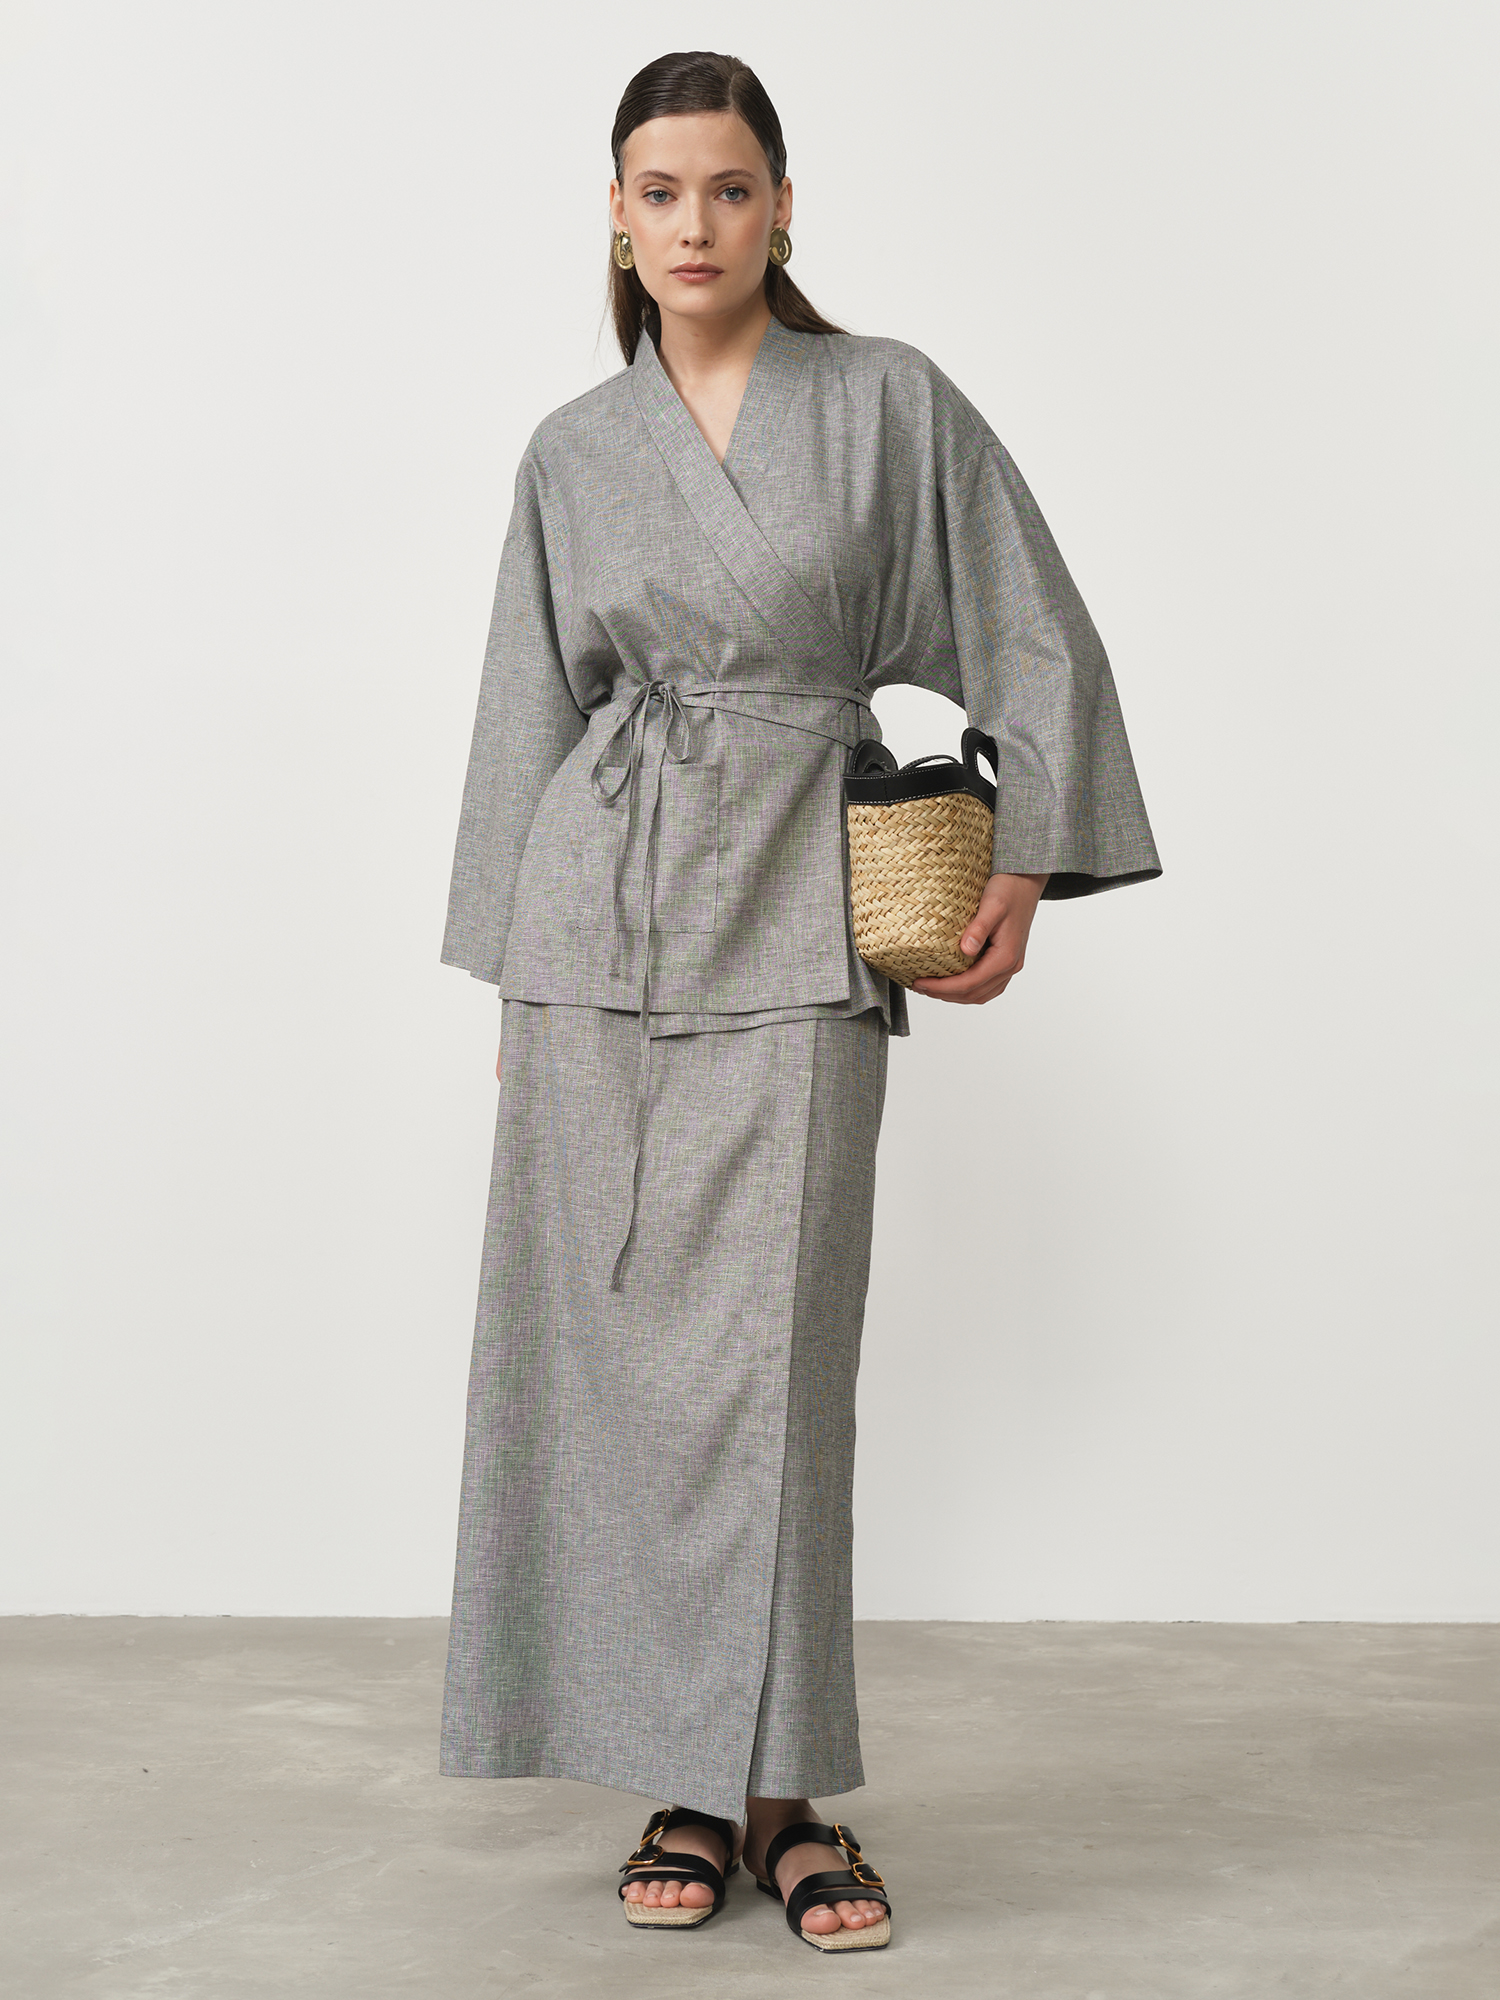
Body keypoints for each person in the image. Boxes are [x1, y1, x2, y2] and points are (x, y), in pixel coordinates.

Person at [438, 49, 1159, 1954]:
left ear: (781, 208)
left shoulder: (885, 403)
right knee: (609, 1362)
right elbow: (526, 713)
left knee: (777, 1367)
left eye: (730, 188)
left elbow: (1029, 627)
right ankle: (687, 1779)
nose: (695, 224)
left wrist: (1023, 862)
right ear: (617, 217)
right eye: (659, 191)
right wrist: (516, 976)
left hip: (799, 920)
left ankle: (785, 1796)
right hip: (596, 938)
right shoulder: (571, 451)